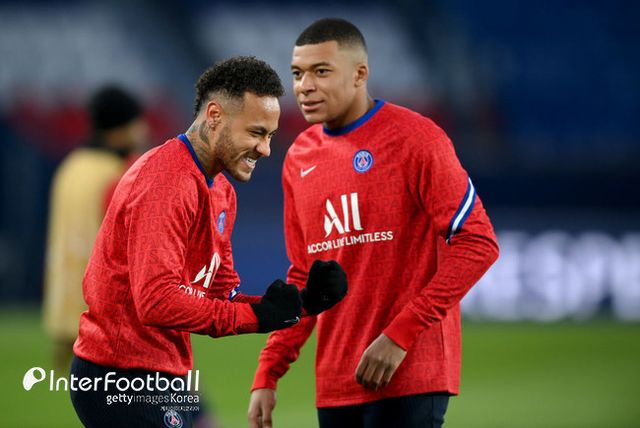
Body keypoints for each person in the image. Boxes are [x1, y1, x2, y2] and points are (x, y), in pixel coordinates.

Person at [69, 56, 347, 428]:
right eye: (256, 132)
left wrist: (301, 304)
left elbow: (221, 296)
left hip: (164, 373)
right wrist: (258, 316)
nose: (265, 149)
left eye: (269, 136)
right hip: (118, 374)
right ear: (214, 115)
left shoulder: (221, 192)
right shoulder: (166, 181)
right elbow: (157, 301)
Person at [248, 18, 499, 428]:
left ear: (359, 74)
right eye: (297, 73)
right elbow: (305, 275)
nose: (304, 86)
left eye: (321, 71)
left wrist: (401, 334)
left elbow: (478, 243)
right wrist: (269, 369)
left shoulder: (416, 138)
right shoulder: (298, 157)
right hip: (336, 381)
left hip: (409, 372)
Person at [43, 85, 149, 373]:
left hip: (65, 308)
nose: (143, 131)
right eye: (137, 124)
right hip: (105, 315)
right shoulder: (119, 173)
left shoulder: (70, 168)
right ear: (120, 131)